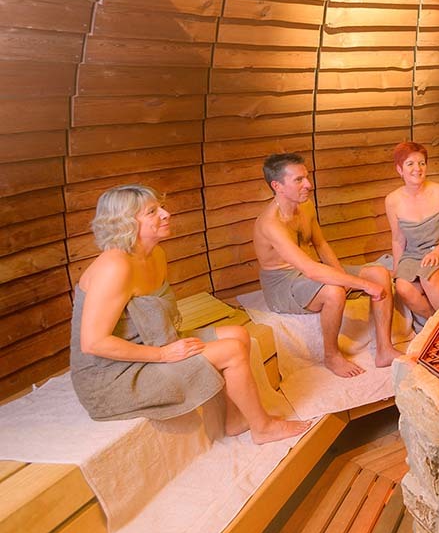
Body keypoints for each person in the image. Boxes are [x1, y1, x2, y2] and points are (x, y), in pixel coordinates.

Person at [70, 185, 310, 444]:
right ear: (125, 222)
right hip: (113, 376)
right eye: (152, 212)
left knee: (238, 334)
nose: (166, 214)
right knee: (230, 351)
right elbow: (93, 343)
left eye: (161, 207)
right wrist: (163, 355)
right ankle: (263, 428)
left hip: (150, 344)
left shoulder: (155, 254)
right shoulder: (114, 267)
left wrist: (167, 347)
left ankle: (235, 420)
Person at [253, 153, 402, 378]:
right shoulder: (270, 224)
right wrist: (362, 285)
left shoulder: (306, 206)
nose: (308, 184)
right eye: (298, 180)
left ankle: (385, 349)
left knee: (379, 273)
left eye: (306, 177)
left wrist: (340, 274)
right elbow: (311, 270)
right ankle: (331, 356)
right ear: (277, 186)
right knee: (334, 292)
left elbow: (321, 244)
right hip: (283, 284)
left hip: (308, 270)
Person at [385, 142, 439, 323]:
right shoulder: (392, 200)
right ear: (400, 169)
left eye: (422, 163)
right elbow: (398, 239)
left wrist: (436, 252)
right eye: (410, 164)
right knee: (402, 287)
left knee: (428, 277)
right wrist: (397, 269)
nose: (417, 168)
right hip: (414, 255)